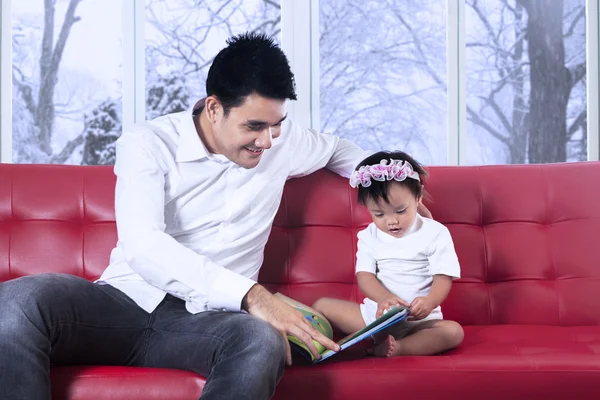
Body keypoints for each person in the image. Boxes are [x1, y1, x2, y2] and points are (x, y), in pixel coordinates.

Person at [0, 33, 431, 400]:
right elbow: (143, 245)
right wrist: (253, 296)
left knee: (260, 340)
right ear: (213, 108)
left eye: (276, 124)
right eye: (254, 126)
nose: (267, 140)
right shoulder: (147, 143)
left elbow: (339, 150)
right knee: (17, 302)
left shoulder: (280, 142)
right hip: (123, 304)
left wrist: (392, 191)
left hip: (209, 322)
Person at [313, 150, 464, 358]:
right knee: (321, 306)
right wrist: (383, 298)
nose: (391, 221)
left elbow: (443, 277)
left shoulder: (435, 232)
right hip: (376, 317)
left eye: (400, 211)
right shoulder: (369, 236)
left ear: (418, 197)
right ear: (368, 208)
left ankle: (400, 348)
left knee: (453, 332)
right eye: (379, 214)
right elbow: (364, 275)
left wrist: (429, 302)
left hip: (418, 321)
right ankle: (328, 345)